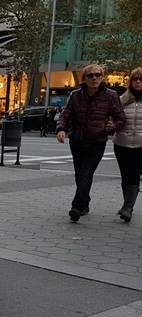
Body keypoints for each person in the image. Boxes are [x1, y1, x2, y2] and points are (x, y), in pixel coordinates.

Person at [56, 63, 126, 222]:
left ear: (102, 77)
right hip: (77, 139)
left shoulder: (111, 95)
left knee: (86, 174)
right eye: (90, 75)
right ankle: (85, 202)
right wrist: (61, 129)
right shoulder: (75, 95)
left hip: (97, 141)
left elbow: (121, 119)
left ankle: (77, 207)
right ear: (84, 78)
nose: (94, 78)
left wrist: (108, 129)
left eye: (97, 75)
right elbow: (65, 114)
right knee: (79, 175)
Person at [112, 67, 142, 222]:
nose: (138, 82)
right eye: (135, 79)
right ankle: (126, 204)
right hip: (121, 143)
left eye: (140, 79)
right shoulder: (123, 98)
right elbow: (113, 116)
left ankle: (129, 207)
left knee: (134, 174)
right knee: (125, 175)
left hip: (140, 145)